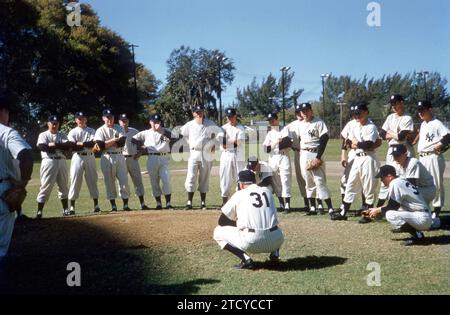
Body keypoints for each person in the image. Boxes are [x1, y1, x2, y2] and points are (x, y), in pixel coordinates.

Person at [213, 170, 284, 269]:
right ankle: (275, 255)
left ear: (241, 184)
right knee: (275, 227)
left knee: (217, 231)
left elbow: (222, 221)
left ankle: (246, 259)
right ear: (255, 181)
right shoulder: (267, 191)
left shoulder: (239, 194)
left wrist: (238, 224)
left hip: (252, 242)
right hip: (276, 240)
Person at [331, 103, 380, 222]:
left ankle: (368, 215)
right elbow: (348, 141)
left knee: (368, 186)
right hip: (357, 157)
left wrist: (357, 143)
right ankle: (343, 213)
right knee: (351, 184)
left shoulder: (371, 127)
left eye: (359, 113)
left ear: (366, 112)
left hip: (368, 158)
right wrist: (355, 143)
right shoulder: (354, 125)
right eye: (354, 114)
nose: (356, 116)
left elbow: (368, 144)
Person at [364, 165, 432, 246]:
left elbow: (393, 207)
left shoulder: (395, 183)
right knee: (393, 211)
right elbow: (393, 205)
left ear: (389, 176)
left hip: (421, 217)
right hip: (422, 214)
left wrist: (377, 211)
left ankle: (419, 237)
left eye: (382, 177)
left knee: (390, 214)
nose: (381, 180)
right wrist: (376, 209)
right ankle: (416, 233)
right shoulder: (400, 180)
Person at [0, 95, 33, 259]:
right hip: (2, 190)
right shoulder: (6, 132)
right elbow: (25, 155)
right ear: (4, 112)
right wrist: (22, 184)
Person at [296, 103, 335, 215]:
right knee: (308, 181)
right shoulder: (300, 124)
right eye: (303, 111)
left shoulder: (318, 122)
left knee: (319, 180)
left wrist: (318, 157)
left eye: (307, 110)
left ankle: (330, 208)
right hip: (304, 154)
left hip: (315, 153)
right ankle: (313, 207)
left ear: (311, 111)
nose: (305, 113)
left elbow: (324, 138)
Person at [377, 94, 415, 206]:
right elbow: (382, 133)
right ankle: (379, 208)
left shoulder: (407, 118)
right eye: (392, 103)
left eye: (395, 103)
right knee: (387, 177)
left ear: (402, 102)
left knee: (403, 178)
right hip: (391, 150)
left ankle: (406, 205)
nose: (393, 106)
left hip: (403, 150)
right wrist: (395, 135)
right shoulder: (390, 117)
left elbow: (402, 137)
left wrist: (391, 134)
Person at [416, 100, 450, 222]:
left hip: (433, 157)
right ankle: (426, 210)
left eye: (423, 110)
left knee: (436, 184)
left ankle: (436, 211)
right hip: (423, 157)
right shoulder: (423, 124)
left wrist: (439, 145)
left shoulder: (436, 123)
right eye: (419, 110)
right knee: (423, 183)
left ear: (430, 109)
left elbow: (448, 136)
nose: (420, 113)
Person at [180, 104, 219, 209]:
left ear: (203, 112)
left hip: (206, 153)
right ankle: (189, 202)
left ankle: (203, 203)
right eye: (197, 112)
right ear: (193, 113)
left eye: (200, 111)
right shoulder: (189, 124)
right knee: (191, 176)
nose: (199, 113)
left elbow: (219, 133)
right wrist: (189, 143)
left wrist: (214, 143)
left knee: (204, 177)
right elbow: (182, 133)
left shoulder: (210, 123)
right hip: (194, 152)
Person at [132, 114, 172, 209]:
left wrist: (161, 132)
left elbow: (170, 138)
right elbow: (133, 139)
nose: (155, 124)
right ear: (150, 122)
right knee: (154, 181)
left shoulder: (165, 131)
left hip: (164, 158)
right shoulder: (146, 133)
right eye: (154, 122)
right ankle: (158, 203)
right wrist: (141, 146)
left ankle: (168, 203)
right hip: (152, 158)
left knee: (166, 180)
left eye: (157, 122)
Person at [36, 115, 71, 218]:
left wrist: (53, 145)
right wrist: (59, 146)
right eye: (52, 123)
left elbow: (68, 146)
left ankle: (65, 209)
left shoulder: (62, 134)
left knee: (64, 185)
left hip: (61, 161)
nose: (54, 125)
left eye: (56, 123)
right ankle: (39, 211)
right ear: (48, 124)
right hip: (48, 161)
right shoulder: (43, 134)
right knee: (45, 186)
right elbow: (43, 147)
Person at [94, 109, 130, 211]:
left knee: (123, 180)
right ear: (103, 118)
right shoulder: (100, 130)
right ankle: (113, 206)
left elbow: (121, 143)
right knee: (109, 181)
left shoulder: (119, 128)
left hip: (119, 155)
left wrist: (107, 143)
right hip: (107, 157)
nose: (110, 119)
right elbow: (101, 146)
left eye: (111, 117)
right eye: (107, 117)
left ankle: (125, 204)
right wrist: (114, 140)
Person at [67, 111, 100, 214]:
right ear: (76, 120)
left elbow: (93, 144)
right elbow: (73, 146)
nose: (81, 120)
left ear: (86, 119)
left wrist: (81, 143)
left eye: (82, 118)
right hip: (77, 157)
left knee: (92, 179)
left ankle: (96, 205)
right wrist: (85, 144)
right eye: (79, 118)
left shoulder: (91, 130)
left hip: (90, 156)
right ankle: (72, 207)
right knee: (75, 180)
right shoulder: (73, 132)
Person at [118, 113, 149, 210]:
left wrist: (140, 152)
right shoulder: (117, 131)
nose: (124, 122)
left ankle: (142, 204)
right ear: (119, 122)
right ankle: (125, 205)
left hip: (133, 158)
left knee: (138, 181)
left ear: (128, 121)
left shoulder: (134, 132)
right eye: (122, 120)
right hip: (121, 158)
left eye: (126, 120)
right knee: (123, 182)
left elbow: (143, 144)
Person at [263, 112, 292, 212]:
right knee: (276, 180)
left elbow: (287, 143)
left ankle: (287, 203)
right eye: (270, 121)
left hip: (283, 155)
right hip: (273, 157)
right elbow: (265, 149)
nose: (271, 122)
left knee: (285, 179)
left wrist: (273, 145)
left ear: (277, 119)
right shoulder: (269, 133)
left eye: (272, 120)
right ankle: (281, 203)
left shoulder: (285, 129)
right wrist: (276, 142)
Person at [217, 108, 246, 207]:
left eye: (232, 116)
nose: (230, 118)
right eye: (228, 117)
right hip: (226, 154)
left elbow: (238, 143)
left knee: (239, 177)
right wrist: (232, 140)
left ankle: (241, 201)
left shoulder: (240, 128)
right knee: (225, 177)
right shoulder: (223, 128)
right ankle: (224, 201)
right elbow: (223, 143)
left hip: (238, 154)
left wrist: (229, 140)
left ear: (235, 116)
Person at [286, 104, 310, 212]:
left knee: (311, 178)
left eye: (301, 111)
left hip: (309, 152)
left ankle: (316, 202)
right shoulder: (291, 125)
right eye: (298, 112)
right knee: (300, 178)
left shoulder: (311, 123)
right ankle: (306, 203)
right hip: (297, 152)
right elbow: (283, 136)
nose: (300, 113)